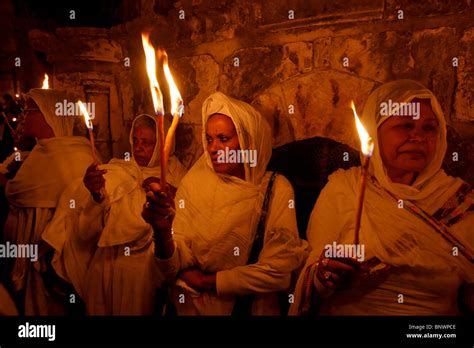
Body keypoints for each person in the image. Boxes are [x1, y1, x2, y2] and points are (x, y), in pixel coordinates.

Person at [290, 80, 474, 315]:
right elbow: (312, 273)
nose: (418, 137)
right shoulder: (346, 190)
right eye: (405, 125)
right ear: (375, 131)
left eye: (429, 128)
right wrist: (325, 275)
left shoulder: (458, 201)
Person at [143, 92, 308, 315]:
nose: (212, 148)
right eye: (209, 139)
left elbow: (278, 271)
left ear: (248, 141)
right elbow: (172, 266)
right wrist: (162, 233)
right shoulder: (195, 182)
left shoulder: (275, 189)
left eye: (223, 139)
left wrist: (208, 282)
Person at [42, 114, 187, 315]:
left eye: (146, 142)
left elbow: (177, 225)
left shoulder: (177, 176)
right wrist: (96, 195)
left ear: (163, 145)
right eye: (135, 140)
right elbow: (87, 231)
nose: (138, 147)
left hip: (141, 274)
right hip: (104, 265)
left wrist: (165, 192)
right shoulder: (116, 169)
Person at [3, 88, 96, 315]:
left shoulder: (70, 154)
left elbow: (16, 192)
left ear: (49, 114)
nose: (24, 116)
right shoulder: (41, 150)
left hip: (51, 256)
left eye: (30, 111)